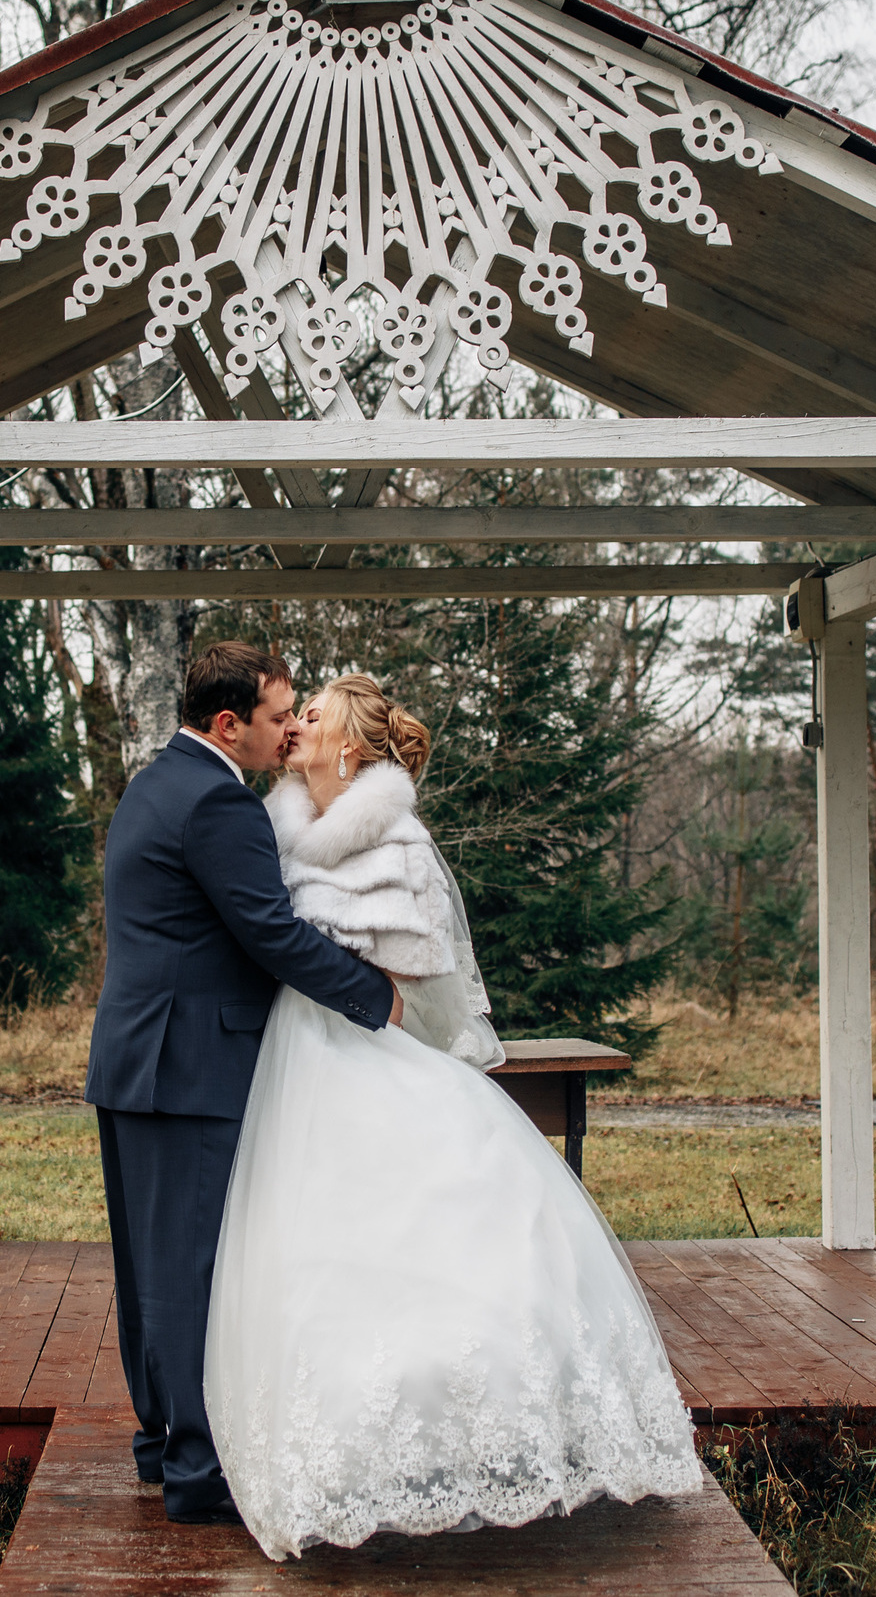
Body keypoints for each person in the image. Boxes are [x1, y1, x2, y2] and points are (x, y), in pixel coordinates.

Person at [205, 673, 702, 1562]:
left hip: (373, 1062)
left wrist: (368, 995)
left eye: (310, 715)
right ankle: (339, 1465)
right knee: (311, 1263)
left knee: (441, 1246)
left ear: (347, 749)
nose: (296, 726)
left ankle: (476, 1446)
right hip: (296, 1068)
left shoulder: (397, 842)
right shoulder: (272, 830)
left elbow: (430, 988)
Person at [86, 642, 403, 1525]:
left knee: (149, 1271)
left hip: (137, 1062)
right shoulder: (219, 801)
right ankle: (194, 1473)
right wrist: (371, 995)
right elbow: (268, 932)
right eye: (276, 716)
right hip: (188, 1069)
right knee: (188, 1272)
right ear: (229, 723)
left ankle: (159, 1444)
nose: (290, 728)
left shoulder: (158, 782)